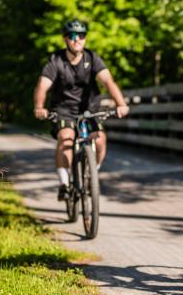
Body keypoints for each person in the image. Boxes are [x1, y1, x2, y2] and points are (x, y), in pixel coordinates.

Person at [34, 19, 129, 201]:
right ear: (65, 39)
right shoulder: (56, 60)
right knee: (66, 137)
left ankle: (91, 173)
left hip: (89, 110)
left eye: (81, 36)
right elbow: (42, 86)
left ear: (85, 38)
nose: (77, 39)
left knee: (100, 140)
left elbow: (108, 82)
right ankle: (64, 183)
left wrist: (120, 104)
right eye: (72, 36)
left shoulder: (92, 59)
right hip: (63, 110)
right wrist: (39, 107)